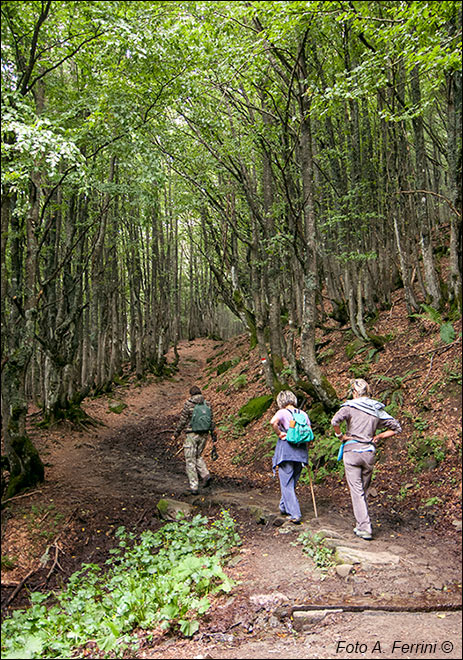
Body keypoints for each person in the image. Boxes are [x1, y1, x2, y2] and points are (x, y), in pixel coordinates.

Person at [331, 378, 402, 540]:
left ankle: (364, 527)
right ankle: (360, 523)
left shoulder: (349, 406)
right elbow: (396, 427)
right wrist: (379, 436)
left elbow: (335, 421)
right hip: (369, 453)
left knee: (357, 492)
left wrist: (341, 436)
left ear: (355, 392)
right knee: (362, 491)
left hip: (352, 452)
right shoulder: (376, 409)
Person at [270, 390, 311, 524]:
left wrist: (279, 433)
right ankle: (283, 506)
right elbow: (309, 432)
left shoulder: (282, 412)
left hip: (286, 451)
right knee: (291, 482)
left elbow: (273, 422)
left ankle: (295, 514)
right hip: (300, 452)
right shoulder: (303, 414)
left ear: (280, 401)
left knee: (286, 483)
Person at [172, 386, 216, 495]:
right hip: (204, 434)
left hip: (192, 435)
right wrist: (213, 436)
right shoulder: (207, 404)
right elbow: (211, 420)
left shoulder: (189, 404)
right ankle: (206, 475)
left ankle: (194, 486)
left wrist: (176, 434)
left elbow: (183, 421)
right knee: (198, 456)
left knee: (190, 460)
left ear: (191, 394)